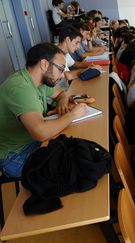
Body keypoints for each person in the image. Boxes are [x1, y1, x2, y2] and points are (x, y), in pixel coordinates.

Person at [0, 43, 87, 177]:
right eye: (60, 69)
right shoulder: (20, 87)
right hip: (15, 155)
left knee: (77, 150)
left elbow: (61, 94)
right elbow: (40, 133)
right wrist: (72, 115)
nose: (63, 75)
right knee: (72, 169)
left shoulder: (39, 80)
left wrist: (62, 105)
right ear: (44, 64)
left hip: (32, 142)